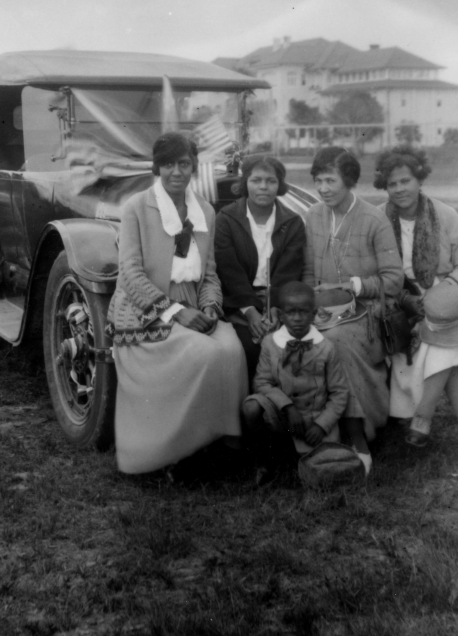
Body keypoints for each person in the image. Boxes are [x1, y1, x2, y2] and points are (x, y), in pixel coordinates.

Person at [107, 131, 247, 474]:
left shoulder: (206, 212)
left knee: (231, 350)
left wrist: (211, 308)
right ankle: (172, 451)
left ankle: (223, 445)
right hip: (145, 310)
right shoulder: (136, 208)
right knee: (205, 353)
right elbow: (130, 273)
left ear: (194, 167)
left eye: (184, 164)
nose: (176, 172)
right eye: (168, 164)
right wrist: (176, 312)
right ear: (157, 168)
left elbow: (209, 273)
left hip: (194, 307)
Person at [375, 144, 458, 467]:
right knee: (452, 361)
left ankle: (424, 417)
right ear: (385, 187)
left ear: (419, 179)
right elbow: (374, 270)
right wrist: (409, 299)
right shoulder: (377, 218)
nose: (400, 189)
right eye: (392, 184)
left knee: (445, 337)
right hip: (398, 300)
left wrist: (443, 292)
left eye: (405, 180)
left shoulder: (445, 215)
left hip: (444, 297)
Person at [300, 146, 403, 470]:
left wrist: (355, 286)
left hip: (367, 312)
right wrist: (310, 305)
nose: (323, 188)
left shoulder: (374, 219)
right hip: (322, 312)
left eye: (330, 180)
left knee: (335, 343)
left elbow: (394, 279)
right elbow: (307, 273)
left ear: (349, 180)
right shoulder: (314, 215)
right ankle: (320, 439)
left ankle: (357, 435)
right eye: (318, 180)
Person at [214, 154, 307, 384]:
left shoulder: (292, 222)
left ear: (280, 185)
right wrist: (250, 311)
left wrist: (276, 307)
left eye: (270, 181)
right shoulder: (227, 219)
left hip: (278, 303)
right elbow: (228, 270)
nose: (263, 187)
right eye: (256, 180)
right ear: (245, 182)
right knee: (248, 348)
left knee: (289, 347)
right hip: (239, 304)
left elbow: (289, 271)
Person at [241, 281, 351, 459]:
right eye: (291, 312)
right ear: (282, 315)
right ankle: (265, 456)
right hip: (283, 415)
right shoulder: (270, 343)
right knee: (251, 406)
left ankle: (306, 452)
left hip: (314, 419)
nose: (297, 318)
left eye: (303, 312)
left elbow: (339, 393)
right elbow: (262, 382)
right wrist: (287, 407)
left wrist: (322, 425)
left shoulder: (326, 348)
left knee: (322, 469)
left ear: (314, 314)